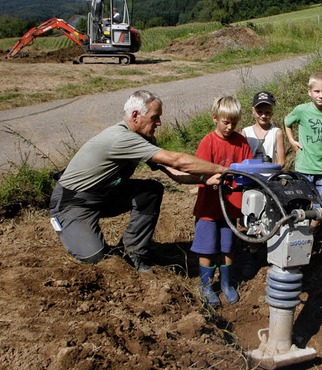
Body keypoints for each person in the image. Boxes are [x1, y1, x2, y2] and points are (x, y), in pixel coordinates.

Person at [49, 90, 226, 272]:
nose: (159, 123)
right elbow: (177, 160)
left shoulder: (143, 139)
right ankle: (77, 233)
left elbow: (174, 171)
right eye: (155, 117)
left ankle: (134, 252)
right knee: (98, 260)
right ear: (136, 115)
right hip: (72, 203)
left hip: (104, 195)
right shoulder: (121, 138)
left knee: (150, 191)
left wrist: (205, 178)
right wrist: (223, 169)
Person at [191, 96, 253, 307]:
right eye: (225, 122)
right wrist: (209, 178)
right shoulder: (208, 142)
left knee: (228, 247)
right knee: (206, 247)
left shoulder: (241, 142)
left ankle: (226, 284)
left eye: (233, 123)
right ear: (215, 118)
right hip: (209, 206)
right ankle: (206, 285)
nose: (229, 127)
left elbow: (248, 168)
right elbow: (198, 169)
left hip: (230, 205)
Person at [285, 72, 322, 213]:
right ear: (309, 92)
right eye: (317, 91)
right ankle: (303, 232)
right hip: (305, 166)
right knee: (301, 203)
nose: (321, 96)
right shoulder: (302, 110)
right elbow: (287, 123)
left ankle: (314, 230)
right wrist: (292, 140)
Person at [242, 91, 285, 165]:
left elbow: (281, 162)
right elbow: (241, 158)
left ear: (272, 113)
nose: (263, 116)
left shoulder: (276, 132)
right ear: (253, 111)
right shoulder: (246, 133)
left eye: (267, 112)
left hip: (270, 174)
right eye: (259, 112)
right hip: (250, 174)